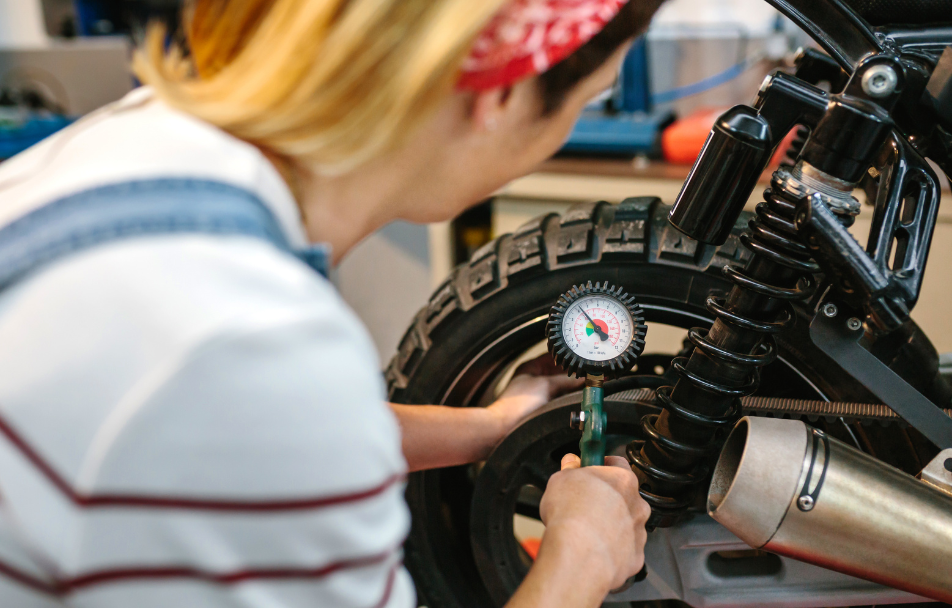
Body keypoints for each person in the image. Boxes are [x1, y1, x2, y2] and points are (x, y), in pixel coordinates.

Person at [0, 0, 661, 606]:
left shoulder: (135, 137)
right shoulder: (244, 337)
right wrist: (582, 557)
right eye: (588, 97)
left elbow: (241, 428)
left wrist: (491, 428)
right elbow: (246, 394)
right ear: (505, 90)